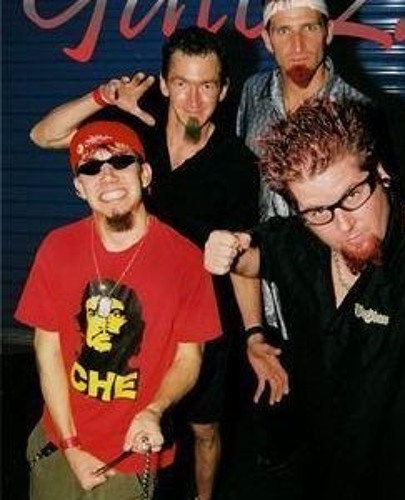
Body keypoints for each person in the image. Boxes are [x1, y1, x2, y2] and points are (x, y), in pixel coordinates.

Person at [204, 97, 405, 499]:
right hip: (329, 472)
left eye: (353, 194)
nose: (343, 224)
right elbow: (252, 260)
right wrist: (228, 251)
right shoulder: (299, 240)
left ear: (381, 172)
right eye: (317, 212)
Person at [29, 27, 260, 500]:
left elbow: (239, 257)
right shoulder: (135, 124)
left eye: (207, 85)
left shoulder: (235, 163)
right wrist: (102, 97)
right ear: (164, 82)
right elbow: (43, 135)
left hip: (195, 308)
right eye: (182, 83)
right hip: (125, 302)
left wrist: (255, 333)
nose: (193, 100)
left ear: (224, 89)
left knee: (204, 428)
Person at [15, 120, 221, 499]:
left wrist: (154, 409)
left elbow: (189, 358)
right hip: (58, 447)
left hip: (131, 454)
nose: (107, 176)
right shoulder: (57, 248)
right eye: (91, 167)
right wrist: (72, 445)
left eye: (121, 162)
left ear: (145, 174)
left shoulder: (186, 261)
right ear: (79, 187)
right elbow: (47, 350)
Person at [235, 0, 372, 469]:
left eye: (309, 29)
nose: (297, 44)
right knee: (272, 429)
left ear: (328, 31)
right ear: (266, 38)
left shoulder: (358, 107)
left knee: (338, 432)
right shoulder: (252, 94)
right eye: (283, 31)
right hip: (263, 297)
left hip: (329, 302)